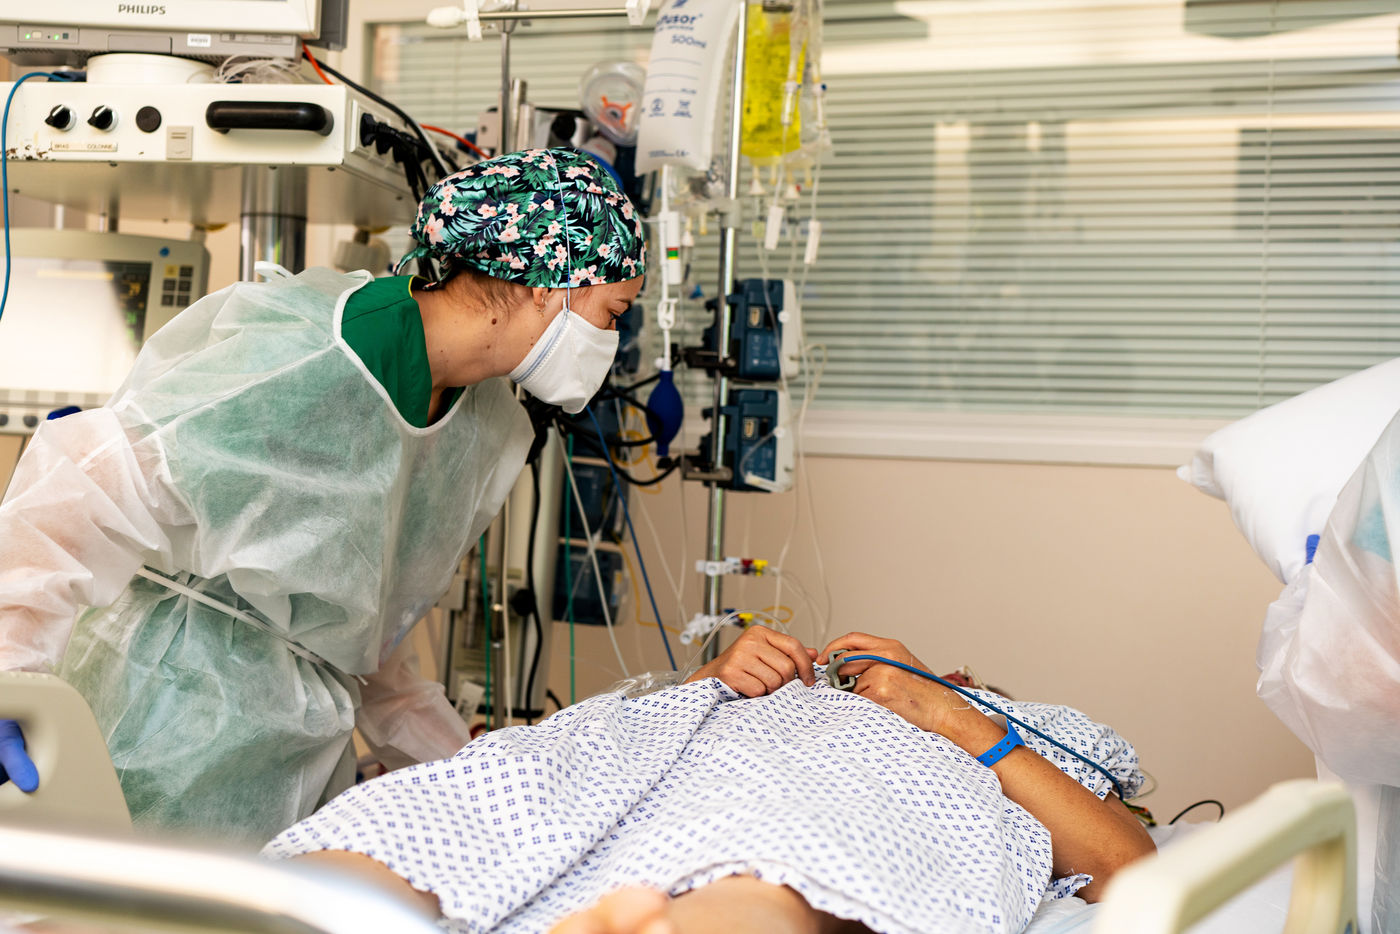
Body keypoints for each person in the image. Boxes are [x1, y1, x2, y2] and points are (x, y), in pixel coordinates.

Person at [0, 148, 646, 844]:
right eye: (613, 312)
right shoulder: (319, 355)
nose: (610, 339)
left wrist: (473, 777)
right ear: (549, 282)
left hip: (292, 763)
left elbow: (365, 633)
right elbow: (80, 479)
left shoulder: (484, 426)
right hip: (154, 720)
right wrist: (10, 683)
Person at [271, 628, 1156, 934]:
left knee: (775, 862)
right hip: (673, 763)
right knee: (498, 784)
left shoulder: (1017, 733)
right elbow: (638, 728)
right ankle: (301, 907)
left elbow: (1127, 864)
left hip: (828, 795)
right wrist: (716, 676)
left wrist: (952, 713)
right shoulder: (777, 690)